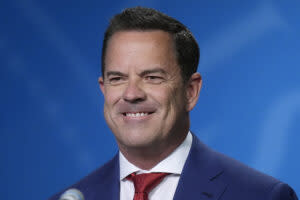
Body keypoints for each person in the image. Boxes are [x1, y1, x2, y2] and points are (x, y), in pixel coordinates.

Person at [49, 7, 298, 200]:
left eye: (152, 77)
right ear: (103, 90)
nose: (132, 93)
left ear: (190, 91)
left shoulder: (261, 196)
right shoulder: (73, 197)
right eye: (118, 78)